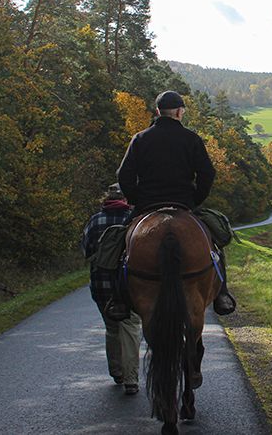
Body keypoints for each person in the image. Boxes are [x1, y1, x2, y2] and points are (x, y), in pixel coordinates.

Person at [117, 90, 236, 315]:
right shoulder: (191, 139)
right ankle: (222, 295)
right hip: (184, 204)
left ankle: (118, 299)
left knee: (118, 245)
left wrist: (137, 201)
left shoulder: (140, 139)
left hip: (147, 205)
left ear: (157, 111)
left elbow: (124, 176)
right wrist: (194, 200)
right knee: (217, 242)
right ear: (180, 112)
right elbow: (207, 174)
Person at [81, 184, 142, 395]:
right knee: (131, 327)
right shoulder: (135, 220)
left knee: (112, 327)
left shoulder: (95, 221)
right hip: (129, 284)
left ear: (106, 198)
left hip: (102, 284)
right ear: (126, 199)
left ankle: (117, 372)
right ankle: (131, 379)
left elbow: (86, 250)